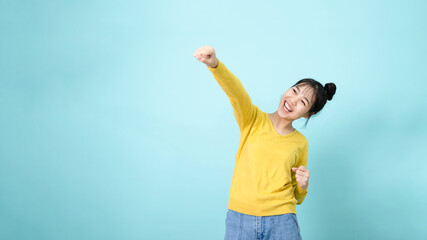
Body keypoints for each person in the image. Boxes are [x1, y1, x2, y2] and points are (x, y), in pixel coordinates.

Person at [193, 45, 336, 240]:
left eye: (303, 102)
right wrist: (215, 64)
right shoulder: (252, 119)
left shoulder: (300, 143)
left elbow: (298, 196)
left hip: (283, 220)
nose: (293, 100)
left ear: (308, 113)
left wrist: (303, 185)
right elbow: (236, 92)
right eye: (294, 91)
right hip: (240, 218)